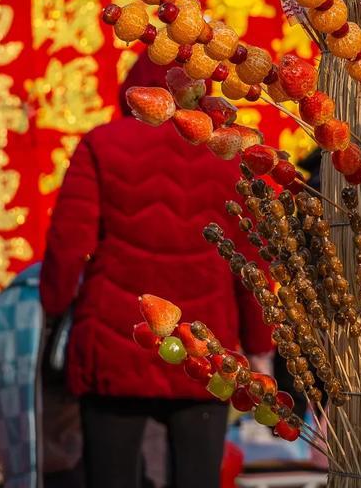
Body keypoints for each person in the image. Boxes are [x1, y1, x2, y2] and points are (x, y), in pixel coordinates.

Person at [41, 57, 274, 488]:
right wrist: (260, 345)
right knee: (198, 478)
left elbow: (68, 245)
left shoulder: (101, 144)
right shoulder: (226, 154)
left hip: (115, 344)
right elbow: (251, 263)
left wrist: (53, 309)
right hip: (205, 348)